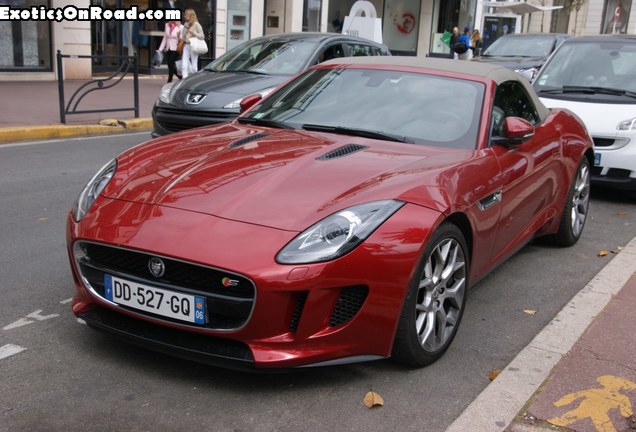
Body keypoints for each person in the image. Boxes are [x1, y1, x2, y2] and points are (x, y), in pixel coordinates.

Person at [180, 8, 204, 79]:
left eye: (186, 15)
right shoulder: (185, 24)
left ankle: (194, 79)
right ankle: (184, 79)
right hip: (186, 45)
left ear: (190, 16)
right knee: (184, 64)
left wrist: (193, 33)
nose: (184, 16)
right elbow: (184, 36)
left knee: (194, 64)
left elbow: (202, 36)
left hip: (193, 45)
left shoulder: (196, 24)